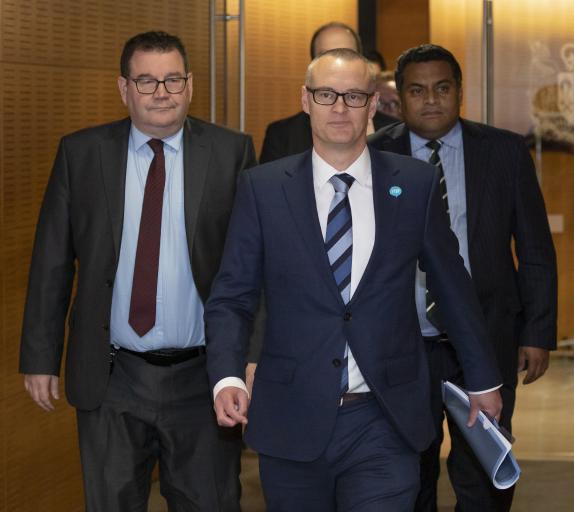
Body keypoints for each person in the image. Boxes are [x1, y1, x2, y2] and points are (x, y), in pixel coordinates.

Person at [205, 48, 503, 511]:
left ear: (372, 104)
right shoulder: (262, 188)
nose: (340, 107)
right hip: (291, 416)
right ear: (305, 101)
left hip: (383, 417)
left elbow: (451, 285)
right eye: (326, 94)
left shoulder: (414, 183)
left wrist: (483, 378)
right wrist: (227, 374)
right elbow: (232, 296)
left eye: (353, 95)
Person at [19, 31, 256, 511]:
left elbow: (255, 267)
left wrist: (247, 360)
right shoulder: (81, 154)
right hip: (112, 376)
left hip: (202, 376)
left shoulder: (232, 152)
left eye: (172, 79)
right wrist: (41, 356)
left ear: (190, 86)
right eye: (146, 81)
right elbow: (52, 260)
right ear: (124, 88)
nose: (161, 92)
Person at [368, 44, 558, 512]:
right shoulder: (373, 154)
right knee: (411, 469)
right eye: (417, 90)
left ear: (459, 93)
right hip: (403, 343)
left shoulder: (504, 152)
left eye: (442, 88)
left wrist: (537, 332)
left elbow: (534, 248)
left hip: (488, 335)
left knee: (484, 470)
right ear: (401, 95)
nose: (430, 99)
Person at [259, 22, 397, 163]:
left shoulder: (396, 132)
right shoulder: (282, 135)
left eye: (345, 54)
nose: (336, 64)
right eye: (326, 55)